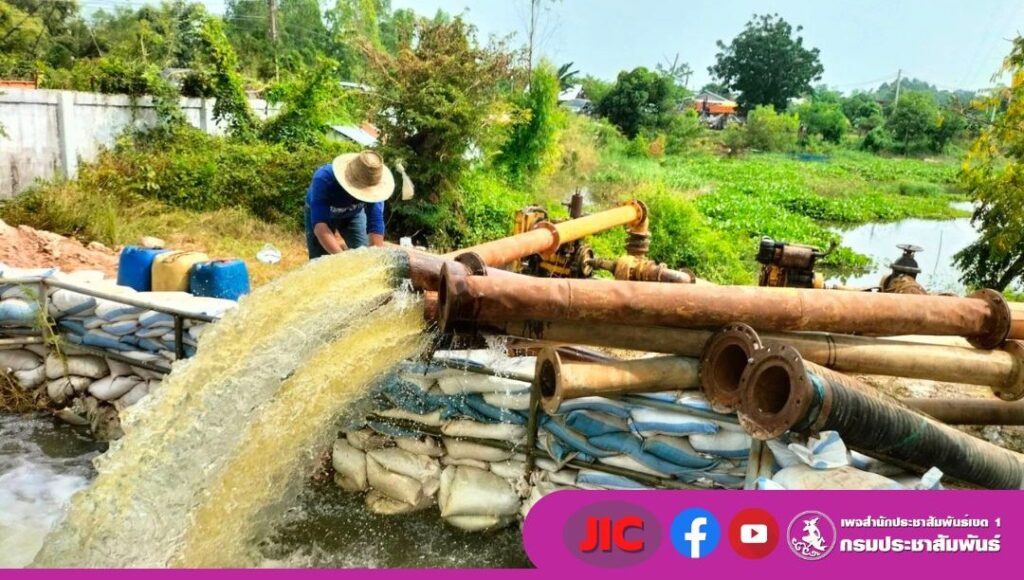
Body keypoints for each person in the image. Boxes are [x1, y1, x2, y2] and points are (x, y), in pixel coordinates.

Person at [305, 150, 395, 259]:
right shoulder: (324, 178)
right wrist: (343, 260)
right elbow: (320, 227)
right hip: (323, 216)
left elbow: (375, 224)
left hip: (353, 215)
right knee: (320, 259)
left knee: (363, 253)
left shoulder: (375, 190)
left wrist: (375, 259)